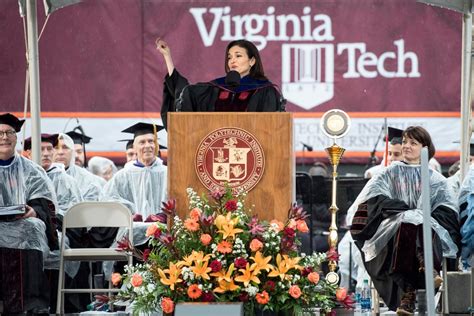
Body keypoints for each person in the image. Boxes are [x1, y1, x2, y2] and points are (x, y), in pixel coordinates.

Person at [349, 126, 460, 314]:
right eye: (405, 142)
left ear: (424, 148)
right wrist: (404, 211)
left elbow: (447, 210)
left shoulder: (436, 179)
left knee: (418, 223)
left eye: (413, 143)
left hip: (428, 233)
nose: (406, 146)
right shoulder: (387, 173)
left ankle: (407, 296)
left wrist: (421, 216)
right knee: (408, 223)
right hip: (391, 235)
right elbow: (373, 202)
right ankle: (427, 266)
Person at [0, 113, 59, 314]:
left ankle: (32, 304)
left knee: (33, 227)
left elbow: (47, 204)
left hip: (22, 224)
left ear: (16, 137)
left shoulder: (32, 170)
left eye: (9, 132)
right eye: (0, 133)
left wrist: (35, 211)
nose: (4, 137)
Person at [156, 38, 285, 129]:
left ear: (252, 61)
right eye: (229, 57)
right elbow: (184, 93)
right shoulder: (215, 88)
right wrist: (167, 57)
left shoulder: (265, 91)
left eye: (238, 56)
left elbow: (272, 129)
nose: (232, 60)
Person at [101, 122, 167, 218]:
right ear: (135, 148)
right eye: (142, 142)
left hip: (164, 230)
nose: (147, 145)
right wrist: (129, 212)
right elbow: (107, 199)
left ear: (156, 145)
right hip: (132, 229)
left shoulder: (168, 173)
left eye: (151, 141)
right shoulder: (123, 175)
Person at [23, 133, 82, 216]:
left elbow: (75, 212)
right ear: (29, 154)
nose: (46, 153)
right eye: (41, 149)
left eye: (49, 149)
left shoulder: (67, 181)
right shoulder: (22, 178)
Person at [54, 133, 105, 201]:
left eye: (79, 151)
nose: (76, 156)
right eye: (57, 148)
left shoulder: (91, 181)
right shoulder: (46, 176)